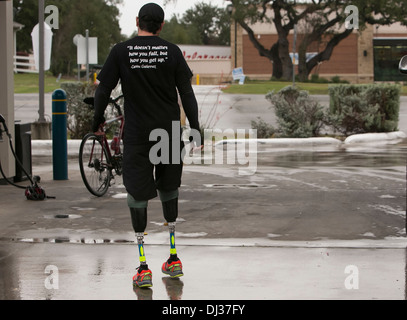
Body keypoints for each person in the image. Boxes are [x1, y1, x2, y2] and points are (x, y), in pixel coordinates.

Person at [92, 3, 202, 288]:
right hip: (168, 132)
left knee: (137, 194)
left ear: (137, 21)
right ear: (161, 25)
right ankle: (173, 259)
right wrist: (196, 127)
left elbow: (103, 88)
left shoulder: (120, 51)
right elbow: (186, 92)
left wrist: (96, 119)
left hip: (138, 135)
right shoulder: (173, 52)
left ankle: (143, 267)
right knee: (168, 187)